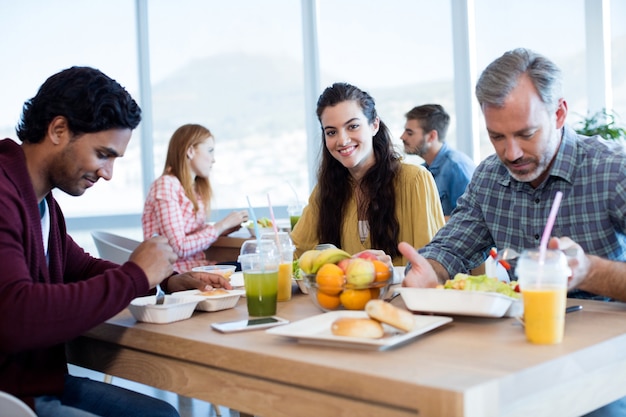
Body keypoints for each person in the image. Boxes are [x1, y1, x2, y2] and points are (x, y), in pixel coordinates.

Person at [398, 48, 626, 416]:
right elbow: (452, 247)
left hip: (607, 372)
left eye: (526, 133)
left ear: (559, 113)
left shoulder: (613, 171)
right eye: (496, 136)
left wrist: (590, 271)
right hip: (516, 364)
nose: (512, 153)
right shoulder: (490, 177)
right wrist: (430, 270)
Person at [0, 67, 232, 417]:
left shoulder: (42, 202)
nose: (107, 173)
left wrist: (165, 280)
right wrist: (136, 276)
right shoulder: (4, 193)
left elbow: (82, 268)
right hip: (12, 398)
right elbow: (17, 315)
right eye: (103, 154)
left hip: (38, 383)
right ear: (59, 130)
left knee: (163, 414)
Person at [291, 82, 445, 266]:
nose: (342, 140)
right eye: (331, 132)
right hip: (343, 295)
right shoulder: (325, 191)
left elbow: (432, 265)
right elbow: (293, 253)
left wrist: (390, 274)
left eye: (353, 126)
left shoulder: (415, 180)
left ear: (374, 125)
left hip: (403, 295)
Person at [142, 124, 248, 273]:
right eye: (210, 151)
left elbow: (188, 234)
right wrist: (221, 226)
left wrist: (223, 230)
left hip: (196, 267)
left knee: (251, 265)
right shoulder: (166, 185)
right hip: (176, 273)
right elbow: (179, 248)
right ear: (190, 151)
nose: (213, 159)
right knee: (251, 268)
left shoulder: (192, 189)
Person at [400, 104, 475, 216]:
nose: (402, 137)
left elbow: (468, 218)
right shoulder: (423, 169)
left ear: (431, 136)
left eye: (409, 133)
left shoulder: (456, 167)